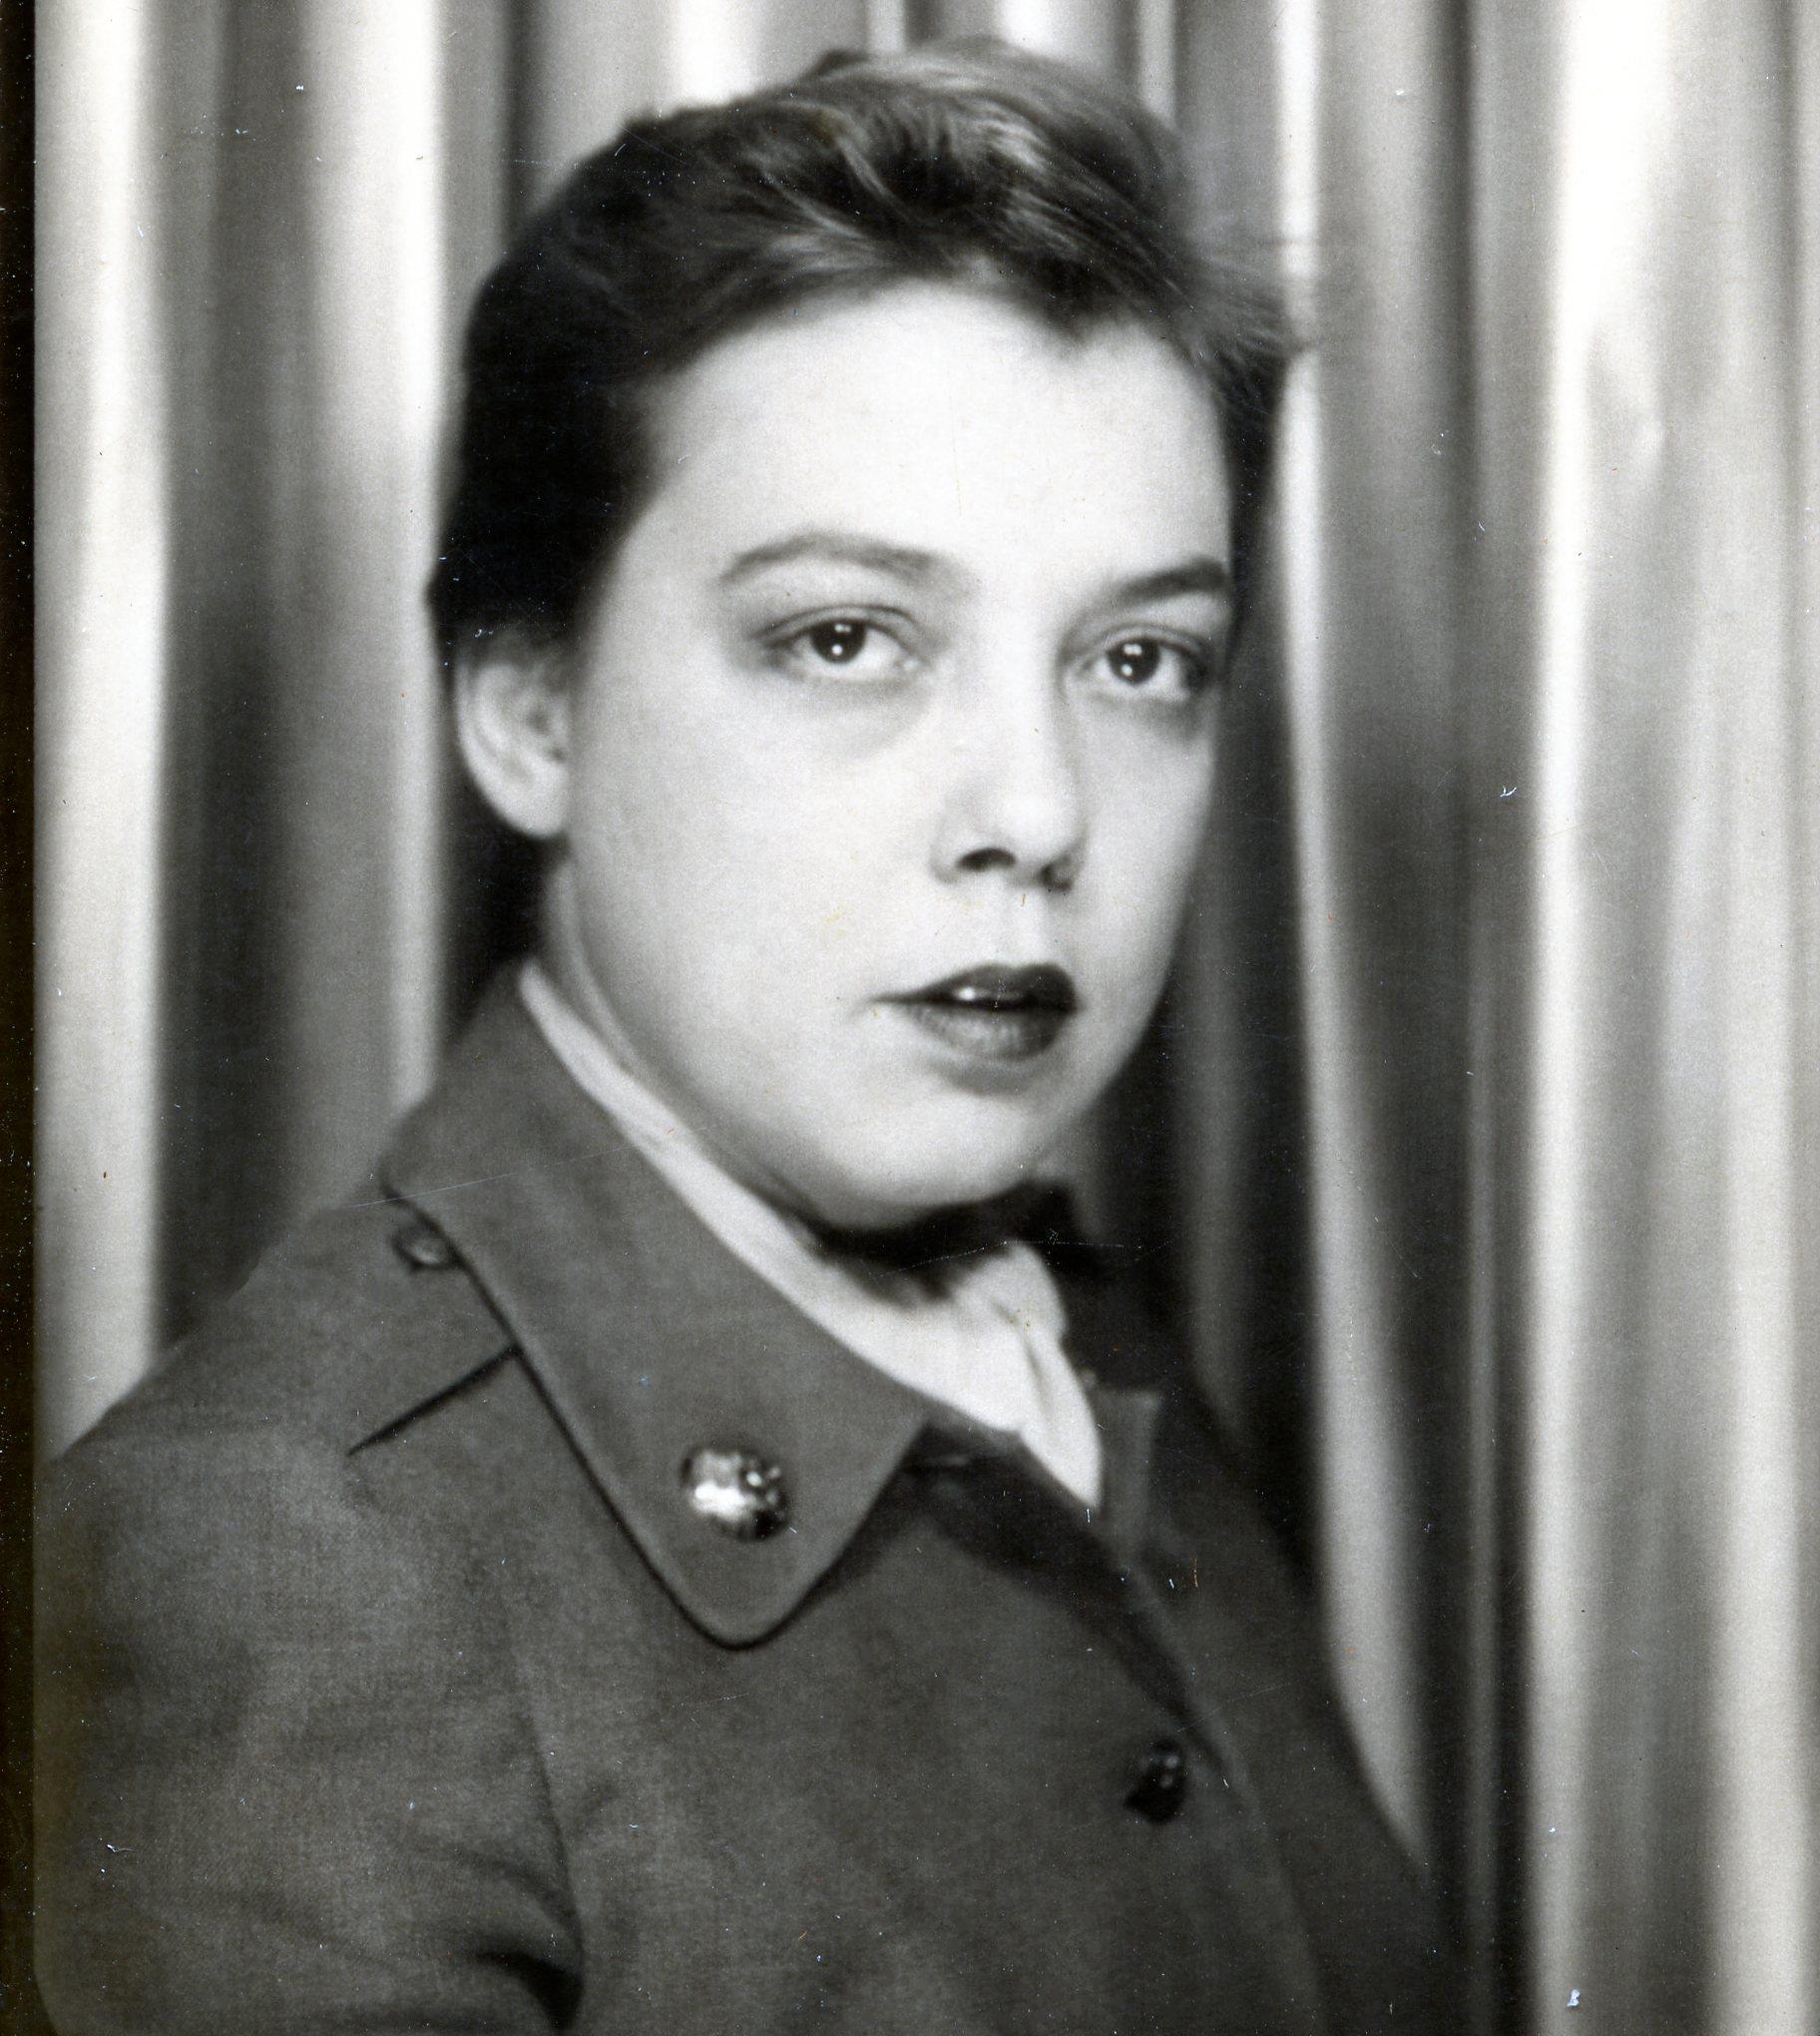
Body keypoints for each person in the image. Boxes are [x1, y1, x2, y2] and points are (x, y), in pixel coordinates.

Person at [36, 40, 1459, 2034]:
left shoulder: (1070, 1344)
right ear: (530, 710)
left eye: (1142, 659)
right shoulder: (281, 1559)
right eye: (847, 638)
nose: (1038, 812)